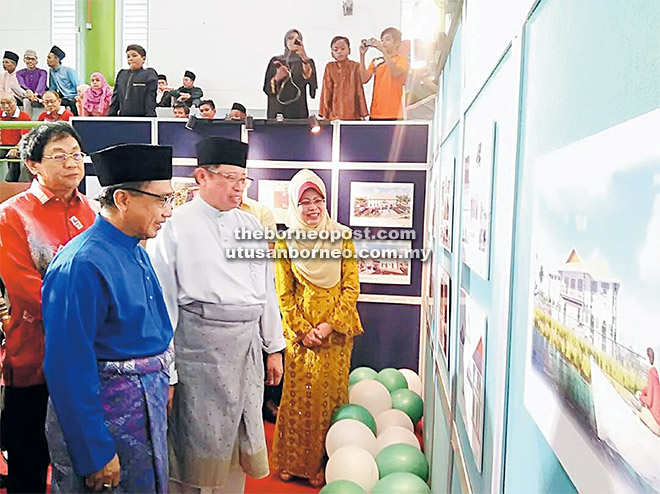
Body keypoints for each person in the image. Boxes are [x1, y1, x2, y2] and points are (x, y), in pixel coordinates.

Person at [147, 136, 285, 493]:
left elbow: (266, 290)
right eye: (229, 178)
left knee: (238, 445)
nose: (239, 187)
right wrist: (170, 369)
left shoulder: (252, 225)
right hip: (198, 352)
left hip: (246, 348)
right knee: (196, 445)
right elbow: (164, 302)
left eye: (243, 179)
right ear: (201, 177)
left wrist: (274, 347)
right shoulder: (175, 225)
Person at [42, 143, 176, 493]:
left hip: (143, 408)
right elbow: (68, 366)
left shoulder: (136, 249)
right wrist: (95, 451)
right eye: (162, 200)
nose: (169, 212)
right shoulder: (81, 264)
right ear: (123, 199)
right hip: (107, 416)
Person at [0, 123, 97, 493]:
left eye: (76, 154)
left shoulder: (92, 212)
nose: (72, 163)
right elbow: (26, 291)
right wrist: (88, 322)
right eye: (59, 156)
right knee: (30, 460)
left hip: (90, 355)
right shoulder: (13, 215)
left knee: (82, 459)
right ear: (33, 164)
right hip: (34, 354)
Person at [270, 169, 363, 487]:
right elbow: (283, 293)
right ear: (295, 206)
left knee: (329, 400)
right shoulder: (285, 241)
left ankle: (325, 464)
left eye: (317, 200)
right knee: (298, 398)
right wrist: (302, 329)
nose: (312, 207)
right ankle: (293, 462)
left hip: (335, 334)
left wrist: (325, 327)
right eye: (305, 201)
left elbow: (351, 288)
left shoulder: (343, 236)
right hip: (299, 336)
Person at [263, 29, 317, 119]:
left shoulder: (307, 62)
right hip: (278, 110)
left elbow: (312, 85)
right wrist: (277, 77)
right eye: (290, 38)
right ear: (285, 41)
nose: (293, 42)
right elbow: (267, 88)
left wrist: (304, 57)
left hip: (298, 111)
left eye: (297, 39)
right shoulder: (275, 61)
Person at [360, 27, 409, 120]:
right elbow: (364, 79)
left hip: (394, 113)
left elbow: (396, 72)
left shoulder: (401, 59)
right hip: (375, 113)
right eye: (382, 40)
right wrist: (362, 55)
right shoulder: (376, 61)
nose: (384, 42)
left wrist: (382, 50)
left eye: (387, 39)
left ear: (397, 43)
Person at [319, 36, 368, 121]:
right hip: (334, 115)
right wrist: (324, 114)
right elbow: (326, 91)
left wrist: (362, 113)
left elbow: (359, 90)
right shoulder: (330, 67)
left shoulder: (355, 66)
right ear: (332, 53)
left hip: (353, 114)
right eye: (336, 50)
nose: (339, 52)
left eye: (342, 48)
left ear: (349, 50)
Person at [108, 44, 158, 117]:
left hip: (142, 119)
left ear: (143, 59)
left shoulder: (149, 74)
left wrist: (150, 119)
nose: (130, 59)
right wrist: (111, 116)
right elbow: (116, 98)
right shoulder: (122, 74)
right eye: (128, 56)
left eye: (134, 56)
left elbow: (150, 99)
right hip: (123, 119)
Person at [0, 91, 31, 182]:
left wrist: (16, 148)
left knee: (14, 156)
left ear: (15, 102)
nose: (6, 106)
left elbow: (25, 136)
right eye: (2, 103)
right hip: (3, 146)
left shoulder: (24, 116)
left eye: (9, 103)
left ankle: (11, 181)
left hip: (18, 146)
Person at [46, 45, 79, 115]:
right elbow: (52, 88)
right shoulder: (51, 71)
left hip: (72, 97)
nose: (47, 60)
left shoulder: (68, 70)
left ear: (56, 59)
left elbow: (78, 86)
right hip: (62, 97)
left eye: (49, 58)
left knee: (73, 104)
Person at [638, 347, 660, 435]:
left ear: (647, 358)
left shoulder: (651, 373)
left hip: (656, 421)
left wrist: (640, 397)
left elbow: (649, 401)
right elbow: (648, 389)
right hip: (658, 418)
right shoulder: (655, 374)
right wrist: (642, 392)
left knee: (640, 412)